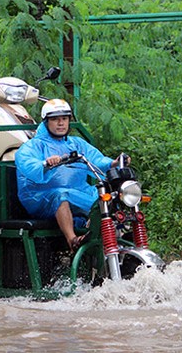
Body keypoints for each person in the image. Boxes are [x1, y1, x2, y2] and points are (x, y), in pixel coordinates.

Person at [14, 99, 128, 251]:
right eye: (55, 119)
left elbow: (96, 159)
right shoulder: (33, 145)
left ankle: (114, 238)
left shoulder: (76, 143)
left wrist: (113, 163)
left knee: (107, 197)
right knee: (61, 195)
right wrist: (46, 164)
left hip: (77, 190)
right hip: (41, 196)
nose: (60, 123)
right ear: (46, 122)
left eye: (64, 118)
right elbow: (28, 166)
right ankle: (72, 240)